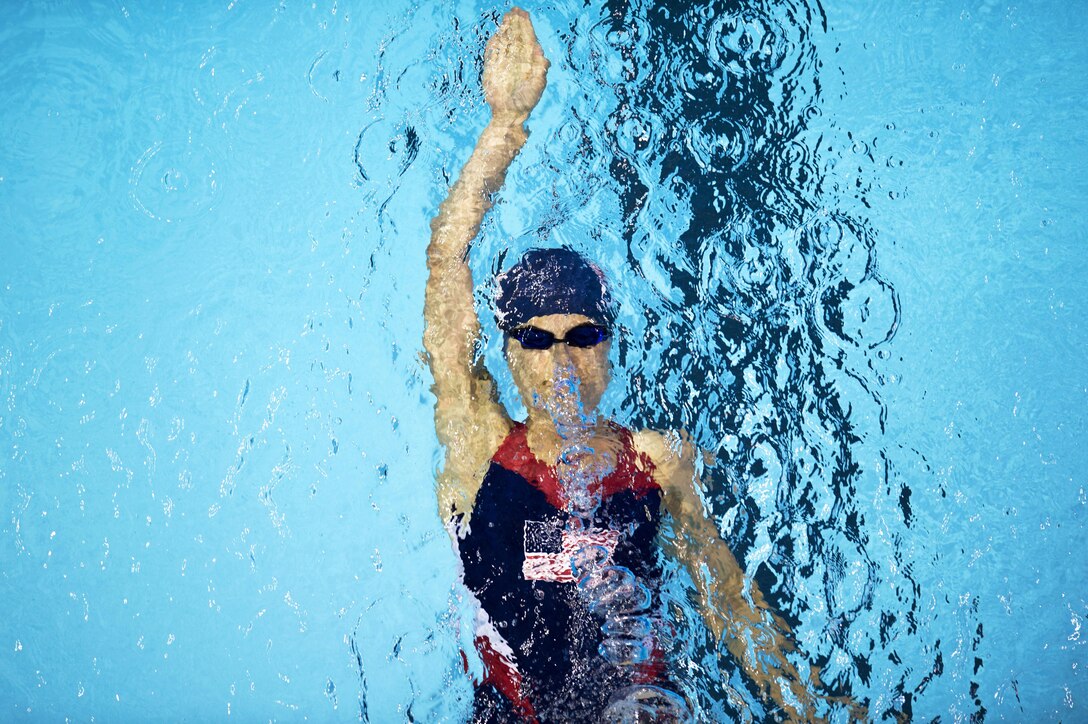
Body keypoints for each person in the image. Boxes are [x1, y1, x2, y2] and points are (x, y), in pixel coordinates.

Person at [424, 8, 841, 722]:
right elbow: (445, 265)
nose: (561, 359)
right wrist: (504, 128)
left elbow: (734, 612)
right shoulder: (481, 448)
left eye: (583, 334)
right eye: (536, 339)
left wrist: (816, 711)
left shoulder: (658, 463)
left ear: (610, 346)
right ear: (510, 355)